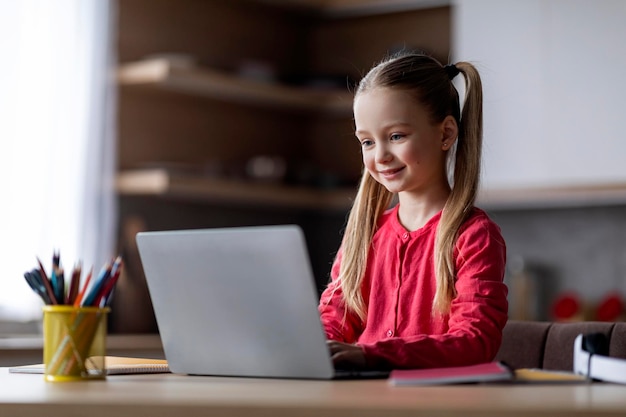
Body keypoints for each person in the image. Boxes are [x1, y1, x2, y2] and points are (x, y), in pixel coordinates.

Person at [318, 52, 508, 370]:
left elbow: (474, 341)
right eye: (367, 142)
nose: (380, 156)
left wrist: (373, 355)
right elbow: (335, 321)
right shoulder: (365, 232)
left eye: (396, 136)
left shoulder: (475, 236)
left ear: (446, 133)